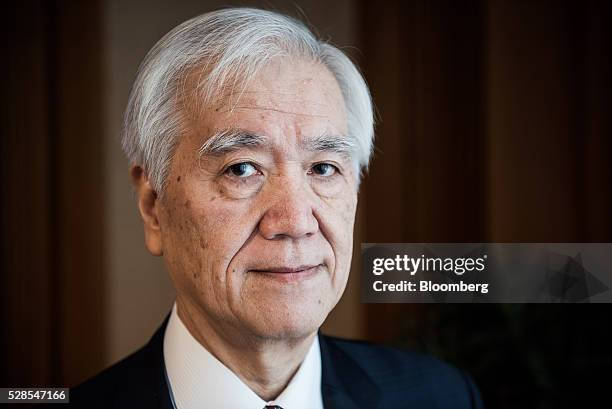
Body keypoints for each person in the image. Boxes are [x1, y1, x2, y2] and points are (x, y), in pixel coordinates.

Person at [50, 7, 483, 408]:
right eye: (241, 169)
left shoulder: (442, 395)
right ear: (152, 206)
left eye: (323, 167)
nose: (295, 221)